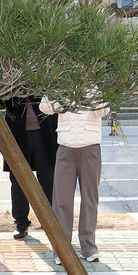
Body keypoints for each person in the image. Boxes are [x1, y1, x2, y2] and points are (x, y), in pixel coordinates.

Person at [40, 96, 104, 263]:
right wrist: (58, 92)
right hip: (65, 148)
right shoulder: (61, 87)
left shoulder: (96, 87)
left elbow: (103, 110)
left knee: (90, 199)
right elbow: (44, 108)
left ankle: (88, 247)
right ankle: (61, 250)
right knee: (61, 200)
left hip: (90, 147)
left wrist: (89, 92)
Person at [1, 95, 58, 239]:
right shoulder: (11, 75)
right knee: (19, 180)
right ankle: (21, 223)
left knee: (48, 179)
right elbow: (1, 102)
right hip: (17, 133)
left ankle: (50, 223)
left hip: (45, 133)